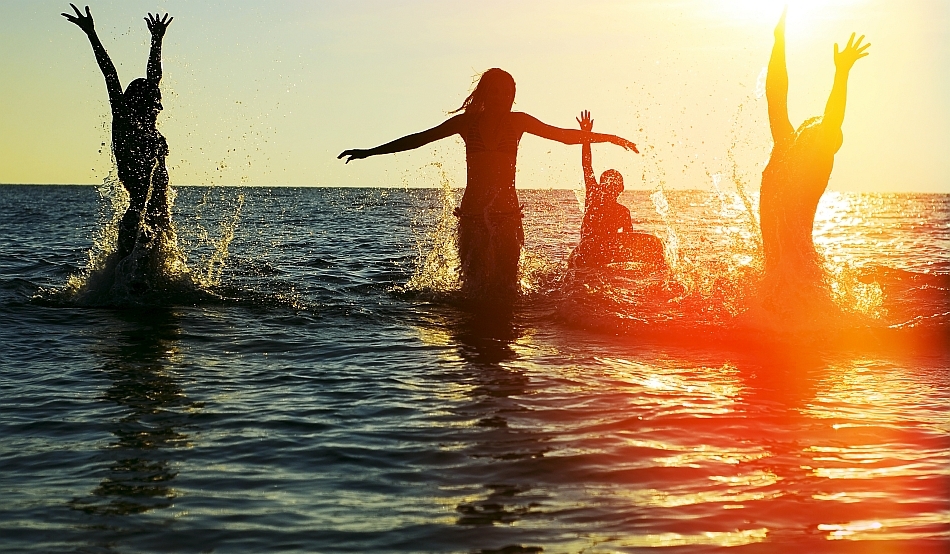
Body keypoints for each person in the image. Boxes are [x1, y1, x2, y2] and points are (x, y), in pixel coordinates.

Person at [339, 68, 639, 299]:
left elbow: (564, 136)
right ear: (485, 94)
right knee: (473, 286)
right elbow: (419, 139)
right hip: (472, 215)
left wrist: (610, 138)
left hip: (507, 215)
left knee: (507, 288)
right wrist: (369, 152)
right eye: (497, 92)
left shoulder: (518, 121)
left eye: (509, 92)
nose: (504, 98)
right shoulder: (466, 123)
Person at [760, 9, 869, 293]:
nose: (814, 127)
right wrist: (778, 42)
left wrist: (842, 73)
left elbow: (832, 117)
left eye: (822, 131)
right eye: (813, 124)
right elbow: (776, 94)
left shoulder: (816, 167)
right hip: (776, 271)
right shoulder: (786, 148)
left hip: (800, 271)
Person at [63, 4, 174, 260]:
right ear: (143, 103)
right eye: (155, 101)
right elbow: (110, 74)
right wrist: (91, 34)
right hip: (136, 220)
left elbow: (154, 76)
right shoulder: (126, 122)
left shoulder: (146, 125)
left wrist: (156, 40)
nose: (160, 106)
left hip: (158, 216)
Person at [568, 110, 666, 270]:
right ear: (600, 186)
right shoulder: (593, 195)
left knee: (655, 243)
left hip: (605, 252)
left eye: (614, 185)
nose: (610, 189)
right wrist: (586, 135)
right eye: (607, 184)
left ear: (620, 189)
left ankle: (659, 275)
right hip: (587, 251)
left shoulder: (622, 212)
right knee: (589, 246)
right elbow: (587, 165)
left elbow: (628, 239)